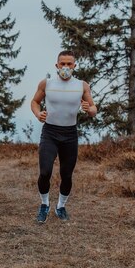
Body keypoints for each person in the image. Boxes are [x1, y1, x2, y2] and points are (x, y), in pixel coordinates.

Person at [30, 50, 97, 223]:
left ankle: (61, 206)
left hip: (69, 135)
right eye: (63, 64)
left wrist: (89, 110)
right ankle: (44, 205)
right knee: (45, 172)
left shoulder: (82, 86)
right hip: (50, 133)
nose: (66, 67)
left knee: (66, 175)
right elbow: (34, 101)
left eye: (69, 64)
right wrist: (38, 114)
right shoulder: (47, 83)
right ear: (56, 65)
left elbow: (93, 109)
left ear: (74, 66)